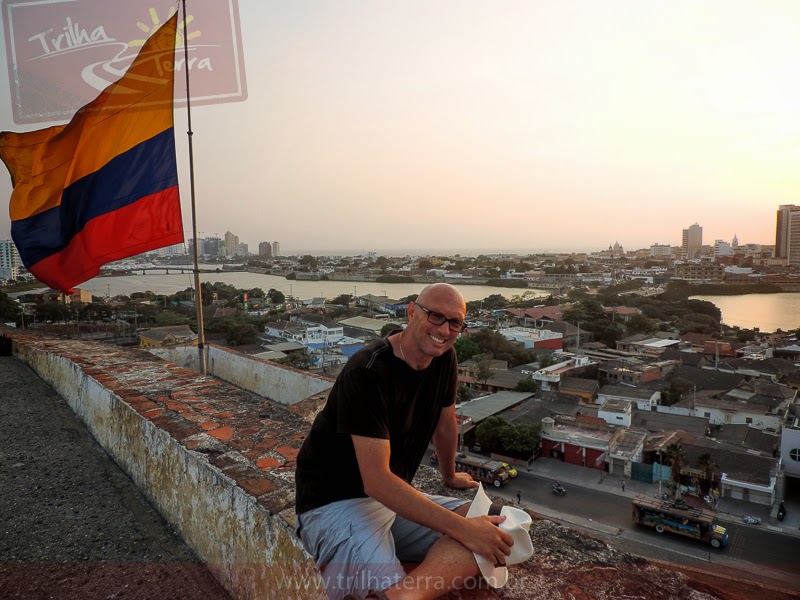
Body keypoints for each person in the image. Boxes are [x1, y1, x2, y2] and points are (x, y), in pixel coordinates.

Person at [294, 284, 514, 600]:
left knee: (502, 528)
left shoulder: (444, 358)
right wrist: (463, 530)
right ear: (412, 312)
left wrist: (449, 475)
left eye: (454, 323)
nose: (444, 330)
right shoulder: (368, 370)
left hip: (392, 500)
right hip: (336, 504)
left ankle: (404, 596)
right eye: (435, 316)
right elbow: (376, 481)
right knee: (473, 533)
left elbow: (446, 421)